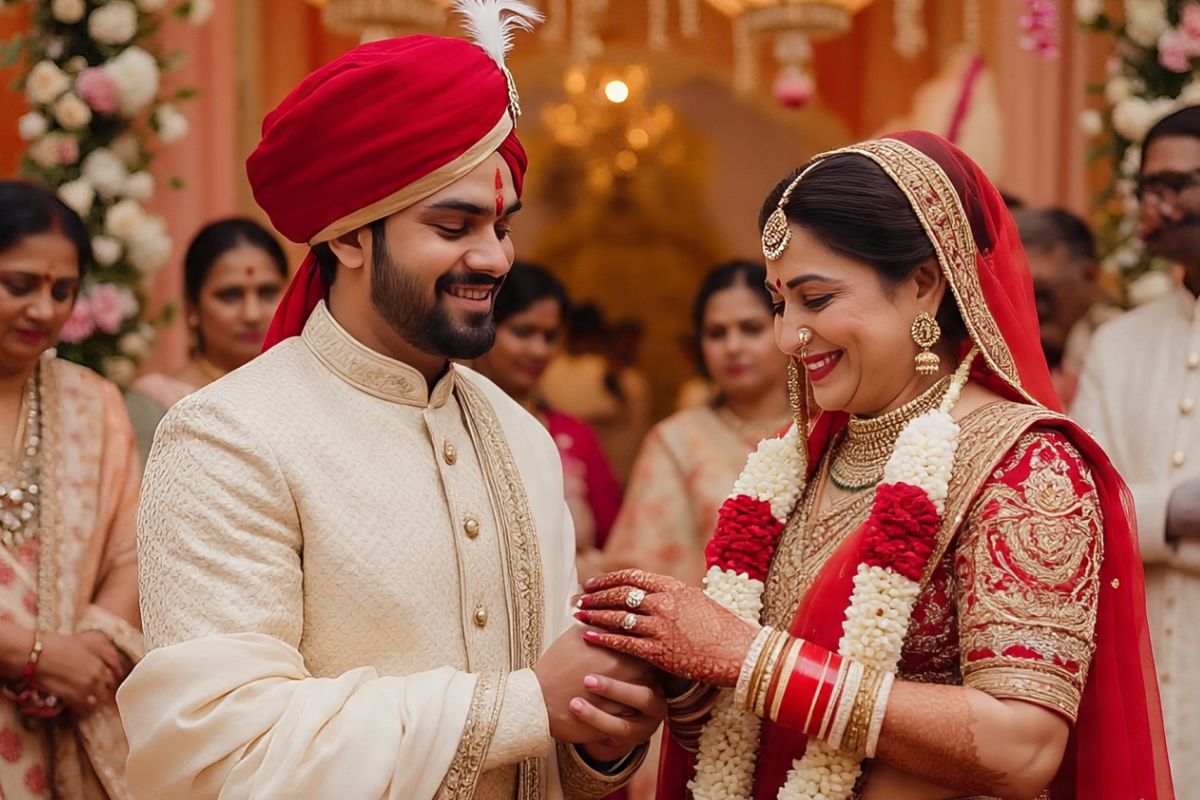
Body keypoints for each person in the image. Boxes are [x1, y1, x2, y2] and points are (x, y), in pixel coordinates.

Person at [115, 5, 663, 798]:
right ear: (347, 235)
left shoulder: (521, 435)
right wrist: (524, 705)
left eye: (501, 226)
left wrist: (601, 731)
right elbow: (220, 758)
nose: (494, 258)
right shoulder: (226, 437)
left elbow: (552, 740)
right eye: (454, 225)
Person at [575, 133, 1173, 799]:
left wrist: (746, 657)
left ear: (922, 284)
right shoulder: (799, 457)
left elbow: (1022, 745)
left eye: (817, 299)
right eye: (779, 303)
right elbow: (753, 720)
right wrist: (674, 681)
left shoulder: (1026, 465)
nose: (786, 337)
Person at [0, 181, 144, 797]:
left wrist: (89, 650)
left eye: (62, 291)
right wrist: (31, 654)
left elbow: (133, 551)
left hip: (70, 716)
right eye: (19, 285)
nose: (44, 309)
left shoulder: (93, 403)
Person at [1072, 104, 1200, 790]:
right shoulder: (1117, 344)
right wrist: (1174, 511)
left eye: (1178, 185)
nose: (1158, 206)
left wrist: (1140, 518)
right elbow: (1081, 504)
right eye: (1149, 188)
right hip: (1136, 673)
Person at [603, 260, 790, 586]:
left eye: (750, 328)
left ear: (785, 328)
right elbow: (640, 572)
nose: (732, 347)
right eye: (716, 333)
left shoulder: (825, 431)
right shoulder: (675, 442)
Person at [471, 261, 623, 580]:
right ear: (482, 326)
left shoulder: (573, 435)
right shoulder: (452, 425)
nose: (539, 350)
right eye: (523, 332)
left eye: (550, 336)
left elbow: (614, 538)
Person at [126, 217, 287, 462]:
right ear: (192, 307)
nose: (252, 314)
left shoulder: (302, 393)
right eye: (230, 295)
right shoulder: (157, 403)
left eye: (267, 292)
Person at [540, 305, 650, 484]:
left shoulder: (546, 369)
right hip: (611, 474)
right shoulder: (617, 375)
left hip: (558, 470)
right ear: (601, 336)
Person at [1014, 207, 1108, 407]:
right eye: (1017, 295)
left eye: (1042, 293)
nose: (1034, 308)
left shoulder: (1120, 349)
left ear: (1089, 276)